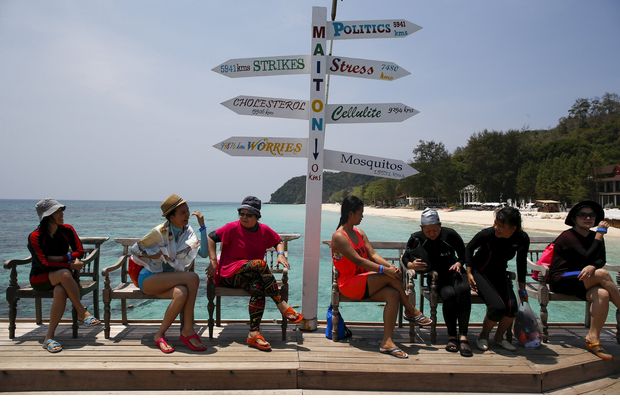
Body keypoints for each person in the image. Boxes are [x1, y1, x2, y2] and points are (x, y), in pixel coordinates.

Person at [331, 195, 432, 359]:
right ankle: (411, 310)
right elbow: (358, 260)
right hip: (350, 284)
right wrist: (385, 271)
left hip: (365, 281)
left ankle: (387, 342)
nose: (362, 216)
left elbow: (372, 254)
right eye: (360, 213)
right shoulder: (339, 236)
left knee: (393, 294)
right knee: (390, 277)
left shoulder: (359, 232)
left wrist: (389, 266)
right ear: (351, 213)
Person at [207, 196, 303, 352]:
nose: (244, 217)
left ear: (257, 217)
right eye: (242, 213)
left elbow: (277, 241)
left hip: (249, 276)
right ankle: (282, 305)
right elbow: (211, 237)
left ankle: (254, 333)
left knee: (258, 287)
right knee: (260, 263)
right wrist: (213, 261)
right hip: (228, 275)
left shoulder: (263, 230)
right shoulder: (231, 228)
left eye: (249, 215)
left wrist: (280, 254)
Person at [129, 194, 207, 354]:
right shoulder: (159, 231)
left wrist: (203, 226)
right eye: (182, 213)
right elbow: (135, 249)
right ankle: (187, 330)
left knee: (182, 292)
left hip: (169, 280)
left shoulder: (188, 231)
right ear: (171, 216)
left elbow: (204, 253)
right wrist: (153, 255)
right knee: (193, 277)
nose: (187, 215)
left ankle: (159, 335)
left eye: (187, 211)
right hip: (149, 279)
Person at [28, 199, 101, 353]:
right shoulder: (35, 236)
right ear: (48, 216)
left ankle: (48, 338)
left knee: (60, 290)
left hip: (63, 277)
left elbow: (79, 251)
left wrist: (62, 258)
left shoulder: (67, 230)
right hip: (41, 278)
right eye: (57, 211)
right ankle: (82, 312)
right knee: (65, 274)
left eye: (61, 210)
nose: (61, 214)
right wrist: (68, 263)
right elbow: (43, 264)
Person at [549, 200, 619, 361]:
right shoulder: (567, 236)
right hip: (562, 279)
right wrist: (599, 236)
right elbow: (584, 256)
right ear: (574, 218)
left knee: (602, 294)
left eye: (591, 215)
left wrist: (592, 266)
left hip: (584, 280)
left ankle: (592, 338)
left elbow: (600, 259)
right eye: (583, 215)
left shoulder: (596, 236)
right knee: (602, 274)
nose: (588, 218)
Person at [402, 208, 473, 357]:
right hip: (436, 277)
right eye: (428, 231)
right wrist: (411, 265)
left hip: (455, 273)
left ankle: (464, 336)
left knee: (464, 291)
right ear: (422, 229)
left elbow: (464, 254)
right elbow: (405, 258)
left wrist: (460, 263)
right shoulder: (416, 238)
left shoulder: (450, 234)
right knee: (449, 295)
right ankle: (452, 337)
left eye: (435, 230)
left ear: (440, 226)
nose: (432, 234)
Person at [465, 206, 530, 352]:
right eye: (496, 223)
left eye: (501, 226)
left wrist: (522, 287)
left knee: (512, 308)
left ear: (513, 228)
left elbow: (521, 263)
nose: (496, 228)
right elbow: (469, 248)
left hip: (499, 274)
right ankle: (483, 336)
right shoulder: (487, 234)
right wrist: (469, 272)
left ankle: (499, 338)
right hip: (480, 273)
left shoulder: (521, 238)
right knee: (497, 308)